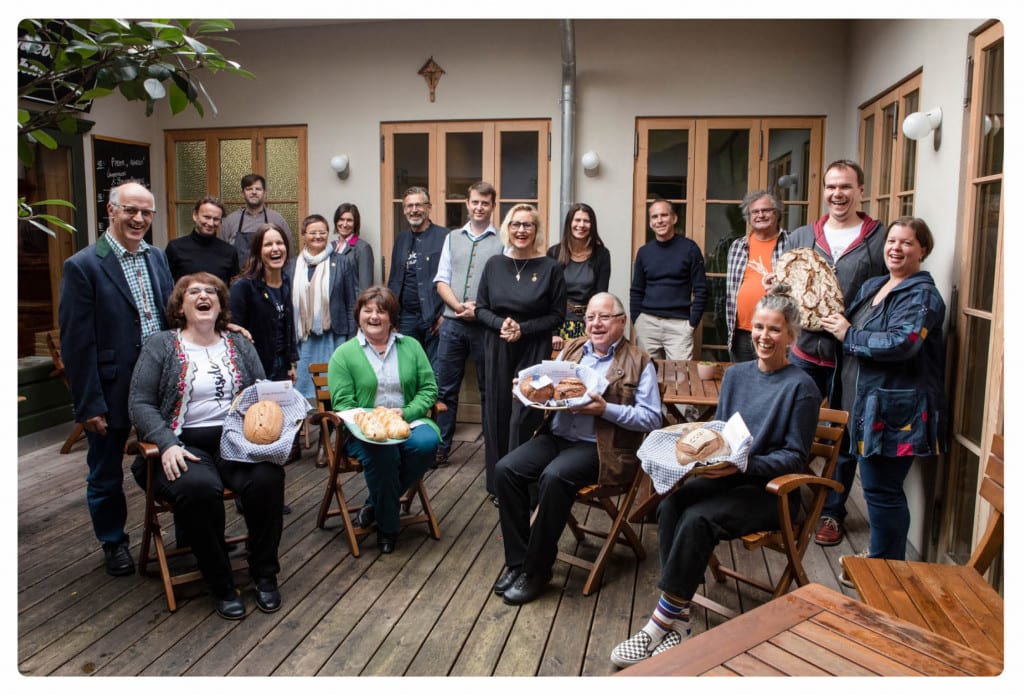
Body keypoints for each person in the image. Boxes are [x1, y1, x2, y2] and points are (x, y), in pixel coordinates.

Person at [611, 283, 820, 667]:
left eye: (775, 329)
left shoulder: (802, 388)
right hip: (728, 477)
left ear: (792, 335)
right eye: (759, 327)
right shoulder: (737, 375)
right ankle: (681, 618)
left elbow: (794, 458)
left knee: (698, 518)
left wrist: (744, 465)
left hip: (771, 494)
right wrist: (702, 458)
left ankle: (658, 625)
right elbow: (722, 433)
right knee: (671, 505)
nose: (764, 336)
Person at [128, 273, 285, 620]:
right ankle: (221, 582)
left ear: (220, 305)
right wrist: (166, 443)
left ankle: (264, 574)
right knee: (199, 487)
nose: (203, 296)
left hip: (234, 439)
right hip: (180, 442)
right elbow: (139, 403)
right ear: (180, 306)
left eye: (210, 292)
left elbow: (261, 390)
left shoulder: (239, 343)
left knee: (267, 479)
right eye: (193, 292)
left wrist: (276, 415)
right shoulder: (161, 344)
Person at [493, 293, 662, 605]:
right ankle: (518, 564)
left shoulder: (639, 361)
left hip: (601, 448)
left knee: (554, 477)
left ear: (621, 322)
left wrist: (605, 410)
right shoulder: (572, 350)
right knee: (506, 470)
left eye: (605, 317)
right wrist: (527, 390)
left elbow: (652, 418)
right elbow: (548, 387)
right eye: (591, 317)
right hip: (556, 437)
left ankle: (537, 571)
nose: (595, 324)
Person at [59, 180, 174, 577]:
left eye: (146, 212)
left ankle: (176, 527)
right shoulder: (83, 266)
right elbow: (76, 343)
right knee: (105, 472)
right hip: (111, 388)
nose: (139, 219)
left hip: (160, 386)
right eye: (131, 210)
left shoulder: (157, 258)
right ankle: (114, 542)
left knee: (169, 456)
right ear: (111, 211)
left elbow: (172, 316)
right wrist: (87, 403)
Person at [820, 217, 947, 568]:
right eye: (892, 241)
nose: (896, 248)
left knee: (882, 491)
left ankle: (887, 569)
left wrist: (850, 336)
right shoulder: (874, 286)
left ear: (923, 249)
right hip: (862, 406)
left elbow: (902, 344)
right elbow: (837, 319)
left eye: (907, 242)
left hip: (893, 412)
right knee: (876, 489)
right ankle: (883, 558)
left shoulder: (923, 296)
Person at [786, 160, 886, 548]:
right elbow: (786, 288)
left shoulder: (878, 239)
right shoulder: (801, 236)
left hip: (853, 357)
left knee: (843, 435)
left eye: (846, 186)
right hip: (805, 352)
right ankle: (789, 506)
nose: (837, 194)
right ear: (823, 190)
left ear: (861, 189)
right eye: (831, 187)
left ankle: (832, 511)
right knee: (794, 426)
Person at [327, 286, 441, 554]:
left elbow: (429, 389)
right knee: (385, 453)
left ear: (392, 317)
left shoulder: (411, 346)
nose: (374, 316)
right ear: (359, 316)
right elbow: (343, 404)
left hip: (406, 422)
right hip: (362, 432)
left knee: (427, 443)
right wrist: (373, 420)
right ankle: (389, 528)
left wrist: (407, 412)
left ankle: (374, 505)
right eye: (368, 311)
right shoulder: (344, 355)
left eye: (381, 311)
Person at [476, 204, 566, 503]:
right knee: (498, 413)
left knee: (525, 414)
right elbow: (480, 309)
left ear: (536, 230)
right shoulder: (493, 265)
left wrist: (523, 329)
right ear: (507, 228)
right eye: (516, 224)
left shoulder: (551, 267)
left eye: (528, 225)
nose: (522, 230)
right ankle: (499, 484)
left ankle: (522, 482)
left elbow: (557, 315)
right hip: (497, 346)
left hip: (533, 347)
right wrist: (503, 324)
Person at [432, 181, 505, 467]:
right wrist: (458, 306)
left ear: (492, 206)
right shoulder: (452, 238)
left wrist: (480, 309)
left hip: (485, 326)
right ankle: (440, 448)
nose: (479, 207)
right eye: (475, 202)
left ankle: (492, 451)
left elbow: (504, 285)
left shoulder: (503, 241)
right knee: (446, 388)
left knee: (490, 388)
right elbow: (441, 280)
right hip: (452, 324)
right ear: (467, 203)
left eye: (485, 203)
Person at [286, 214, 358, 400]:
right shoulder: (292, 266)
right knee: (302, 391)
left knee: (335, 389)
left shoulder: (341, 262)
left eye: (322, 232)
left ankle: (333, 426)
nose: (318, 236)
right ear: (303, 235)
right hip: (303, 339)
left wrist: (351, 338)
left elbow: (351, 304)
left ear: (328, 234)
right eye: (313, 232)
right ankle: (307, 426)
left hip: (333, 337)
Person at [629, 199, 708, 360]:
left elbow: (701, 290)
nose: (659, 220)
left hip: (679, 326)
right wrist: (637, 319)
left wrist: (691, 324)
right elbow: (636, 290)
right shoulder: (644, 252)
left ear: (674, 218)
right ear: (650, 223)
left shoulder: (690, 249)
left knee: (681, 377)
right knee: (646, 375)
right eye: (655, 217)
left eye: (664, 215)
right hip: (647, 323)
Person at [229, 223, 298, 384]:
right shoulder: (243, 287)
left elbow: (287, 327)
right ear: (258, 252)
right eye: (268, 244)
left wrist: (291, 363)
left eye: (279, 243)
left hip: (281, 366)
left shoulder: (286, 281)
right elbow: (233, 333)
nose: (275, 248)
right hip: (253, 368)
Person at [386, 186, 448, 365]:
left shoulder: (445, 237)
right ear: (404, 209)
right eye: (409, 206)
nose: (414, 210)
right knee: (409, 369)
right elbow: (394, 279)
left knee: (436, 372)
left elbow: (454, 278)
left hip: (435, 317)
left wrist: (446, 314)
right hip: (406, 318)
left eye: (419, 205)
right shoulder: (401, 239)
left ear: (429, 207)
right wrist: (392, 316)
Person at [725, 190, 789, 362]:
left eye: (766, 210)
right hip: (741, 333)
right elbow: (730, 292)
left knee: (774, 384)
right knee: (744, 384)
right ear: (748, 216)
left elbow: (800, 287)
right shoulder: (737, 246)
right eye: (755, 212)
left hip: (776, 332)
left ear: (776, 213)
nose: (760, 215)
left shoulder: (791, 243)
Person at [547, 203, 611, 352]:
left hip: (589, 324)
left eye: (586, 221)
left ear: (592, 225)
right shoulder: (554, 253)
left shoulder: (601, 255)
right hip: (560, 323)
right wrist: (553, 333)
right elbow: (548, 296)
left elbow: (601, 295)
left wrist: (594, 327)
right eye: (577, 220)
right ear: (569, 223)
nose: (581, 225)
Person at [221, 174, 293, 269]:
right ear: (242, 193)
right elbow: (222, 255)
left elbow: (288, 254)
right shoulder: (230, 221)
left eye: (258, 189)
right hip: (238, 280)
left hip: (271, 280)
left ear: (264, 193)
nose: (254, 192)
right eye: (249, 189)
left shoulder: (277, 219)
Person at [165, 196, 240, 284]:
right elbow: (166, 285)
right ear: (195, 216)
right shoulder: (175, 248)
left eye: (216, 219)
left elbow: (233, 286)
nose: (211, 223)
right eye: (207, 217)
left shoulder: (229, 252)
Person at [333, 202, 374, 294]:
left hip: (351, 306)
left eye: (349, 220)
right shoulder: (331, 247)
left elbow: (365, 288)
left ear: (355, 223)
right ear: (336, 221)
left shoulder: (363, 248)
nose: (344, 224)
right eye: (341, 219)